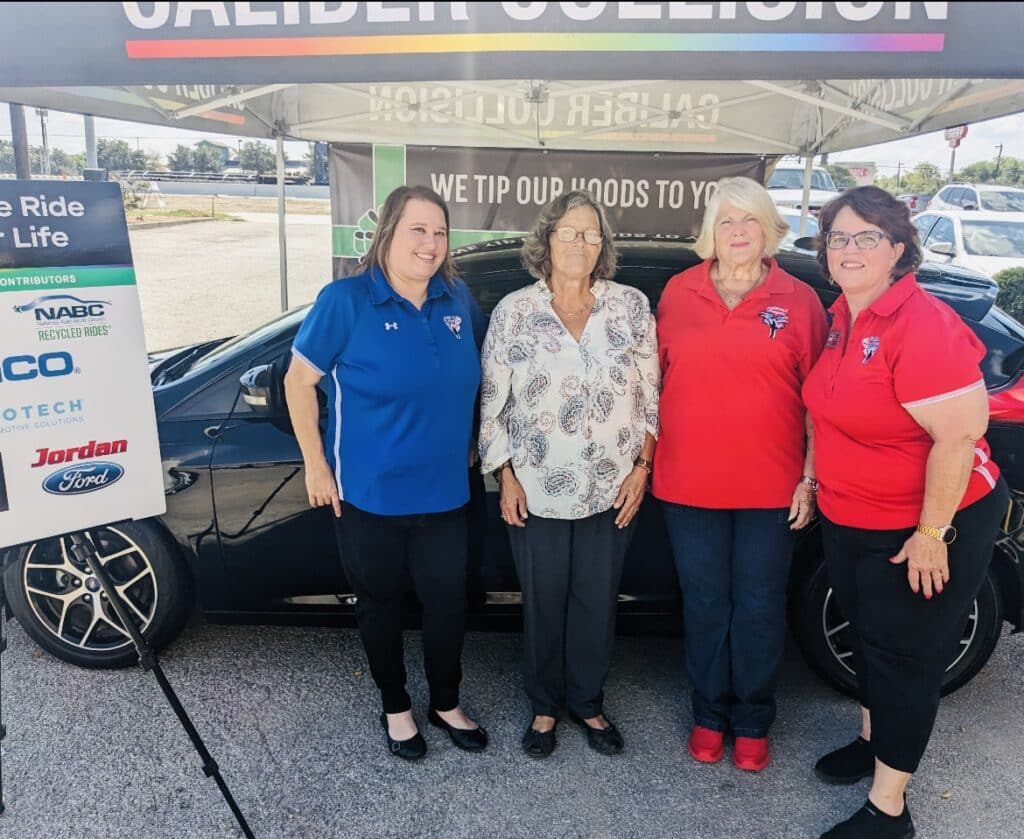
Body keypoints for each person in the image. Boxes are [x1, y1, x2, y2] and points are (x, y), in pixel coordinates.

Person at [802, 186, 1009, 838]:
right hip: (852, 515)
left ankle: (888, 809)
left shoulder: (920, 322)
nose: (850, 249)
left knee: (906, 657)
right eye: (839, 237)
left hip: (929, 518)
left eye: (868, 237)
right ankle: (873, 739)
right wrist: (812, 478)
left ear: (898, 247)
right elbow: (828, 410)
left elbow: (959, 433)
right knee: (869, 638)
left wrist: (931, 532)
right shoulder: (843, 316)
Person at [284, 185, 488, 762]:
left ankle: (446, 702)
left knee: (448, 604)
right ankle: (396, 706)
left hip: (447, 492)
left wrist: (473, 438)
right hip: (369, 494)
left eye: (440, 232)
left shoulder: (457, 299)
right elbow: (298, 383)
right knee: (381, 604)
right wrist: (316, 465)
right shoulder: (346, 300)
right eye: (417, 230)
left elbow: (476, 378)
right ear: (388, 234)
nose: (429, 244)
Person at [654, 176, 828, 771]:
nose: (736, 231)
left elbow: (819, 402)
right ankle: (709, 712)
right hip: (687, 485)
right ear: (710, 231)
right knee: (704, 604)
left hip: (771, 489)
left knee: (757, 605)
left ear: (767, 229)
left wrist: (810, 477)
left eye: (748, 219)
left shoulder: (799, 301)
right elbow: (650, 385)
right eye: (725, 220)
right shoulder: (678, 293)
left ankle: (752, 719)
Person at [478, 189, 659, 758]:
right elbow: (493, 402)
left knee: (595, 600)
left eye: (591, 233)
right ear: (547, 240)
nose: (580, 243)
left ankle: (587, 702)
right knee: (544, 598)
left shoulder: (629, 307)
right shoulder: (515, 312)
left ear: (602, 245)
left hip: (611, 486)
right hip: (535, 486)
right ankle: (544, 707)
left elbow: (653, 394)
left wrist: (643, 467)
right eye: (569, 232)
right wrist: (504, 474)